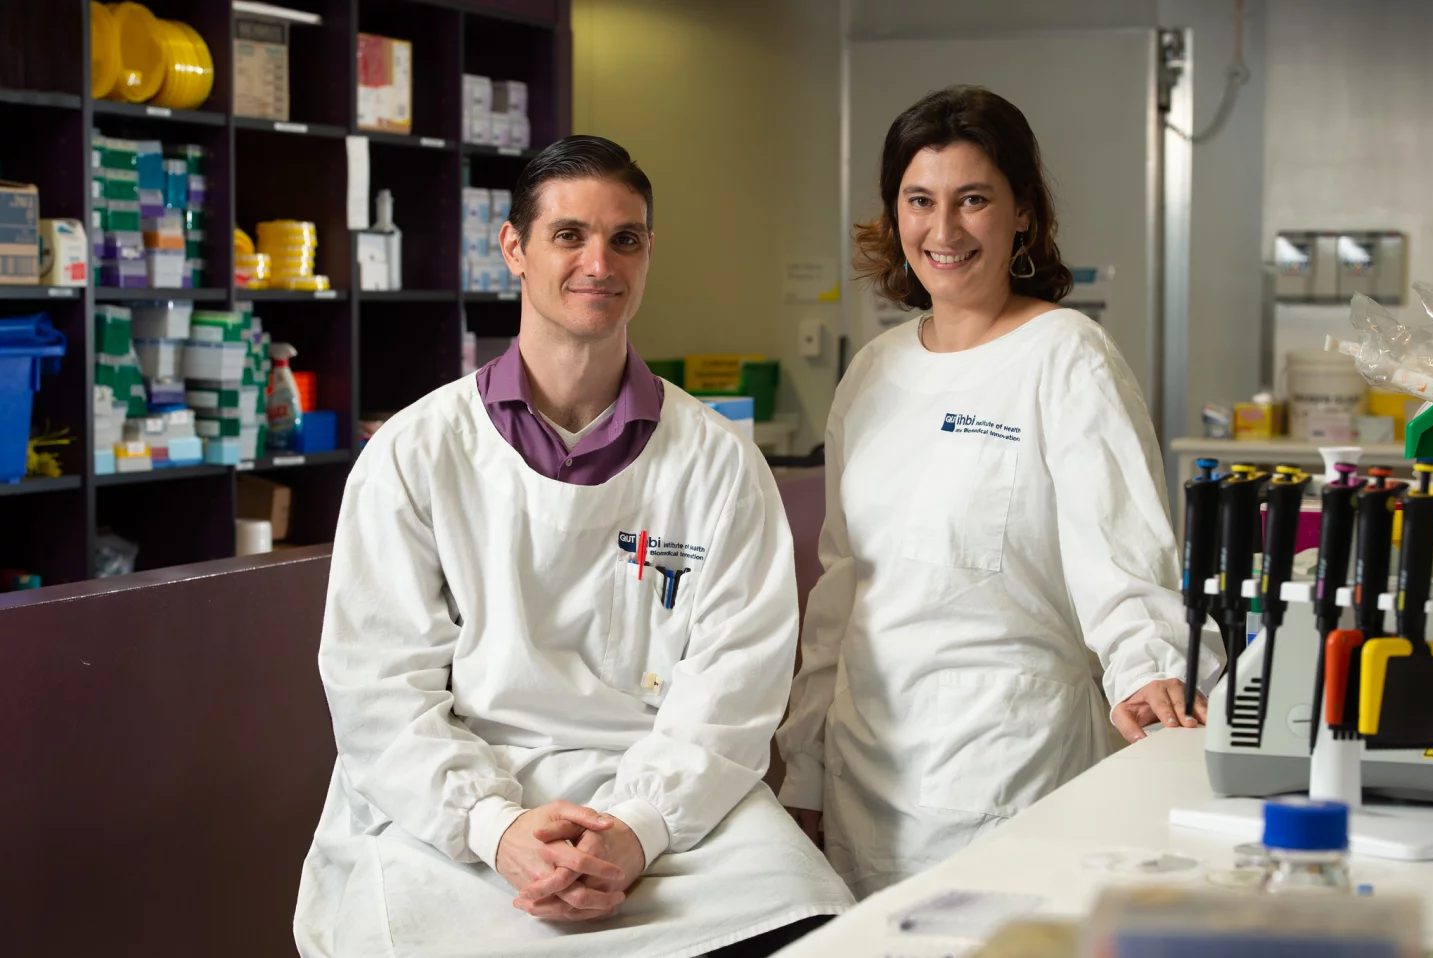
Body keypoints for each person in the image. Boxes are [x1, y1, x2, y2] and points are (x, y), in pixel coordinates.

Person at [294, 135, 853, 958]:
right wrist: (496, 827)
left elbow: (737, 683)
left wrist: (635, 828)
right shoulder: (417, 453)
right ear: (514, 248)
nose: (600, 262)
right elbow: (379, 687)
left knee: (818, 927)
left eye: (624, 238)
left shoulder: (716, 460)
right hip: (464, 801)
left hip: (664, 794)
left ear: (648, 252)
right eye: (569, 236)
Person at [775, 86, 1223, 899]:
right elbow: (841, 590)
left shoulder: (1065, 355)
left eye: (973, 199)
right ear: (894, 214)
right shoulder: (872, 372)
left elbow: (1123, 559)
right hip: (867, 775)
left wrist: (1153, 673)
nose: (942, 231)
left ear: (1023, 213)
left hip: (1017, 769)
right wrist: (803, 767)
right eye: (920, 201)